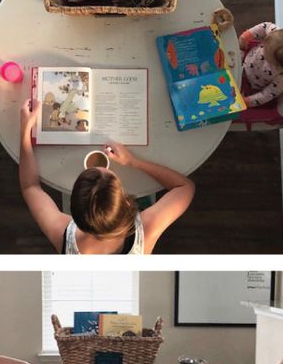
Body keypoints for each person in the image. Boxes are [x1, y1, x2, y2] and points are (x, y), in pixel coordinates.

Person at [18, 99, 195, 254]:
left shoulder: (62, 236)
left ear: (72, 213)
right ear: (126, 202)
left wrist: (25, 130)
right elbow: (185, 187)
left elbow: (30, 187)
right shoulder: (146, 231)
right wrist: (133, 162)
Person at [239, 22, 283, 109]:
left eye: (267, 56)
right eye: (264, 47)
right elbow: (266, 26)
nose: (263, 52)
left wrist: (247, 101)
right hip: (245, 58)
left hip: (250, 85)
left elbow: (267, 94)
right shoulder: (278, 36)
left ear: (280, 66)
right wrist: (248, 34)